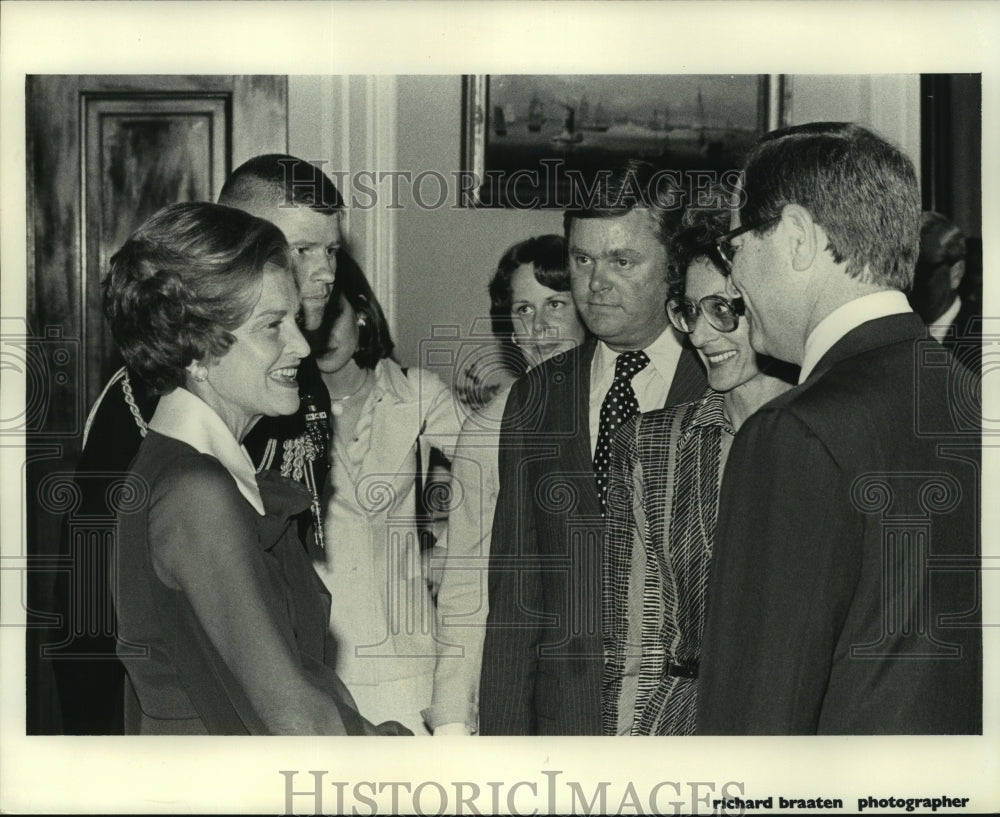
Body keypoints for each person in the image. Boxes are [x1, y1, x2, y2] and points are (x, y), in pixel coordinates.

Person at [696, 122, 981, 734]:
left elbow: (754, 723)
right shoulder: (968, 398)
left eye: (735, 244)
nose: (731, 280)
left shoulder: (794, 432)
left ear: (797, 237)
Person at [54, 154, 345, 734]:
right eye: (298, 248)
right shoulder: (150, 432)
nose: (323, 272)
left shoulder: (281, 392)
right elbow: (91, 620)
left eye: (330, 250)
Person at [104, 201, 407, 735]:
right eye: (272, 325)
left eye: (294, 319)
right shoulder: (193, 490)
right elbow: (297, 722)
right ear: (194, 349)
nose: (300, 344)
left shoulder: (193, 469)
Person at [479, 161, 707, 735]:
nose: (595, 282)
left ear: (672, 269)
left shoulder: (722, 387)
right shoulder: (537, 397)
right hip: (566, 726)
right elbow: (515, 600)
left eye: (622, 262)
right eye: (583, 260)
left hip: (690, 726)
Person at [602, 205, 794, 736]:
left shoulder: (833, 437)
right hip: (682, 728)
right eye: (689, 311)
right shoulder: (651, 442)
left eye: (723, 310)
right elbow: (634, 635)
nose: (703, 336)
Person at [424, 235, 590, 735]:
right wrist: (452, 720)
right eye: (523, 310)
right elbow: (464, 589)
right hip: (529, 681)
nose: (539, 328)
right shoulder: (489, 428)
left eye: (556, 304)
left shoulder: (632, 401)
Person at [310, 257, 463, 736]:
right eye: (308, 316)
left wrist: (448, 555)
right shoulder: (280, 408)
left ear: (360, 312)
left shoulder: (417, 394)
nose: (323, 330)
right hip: (319, 662)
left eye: (333, 312)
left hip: (410, 655)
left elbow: (491, 481)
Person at [908, 210, 980, 378]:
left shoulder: (981, 341)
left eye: (921, 271)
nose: (908, 285)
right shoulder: (893, 335)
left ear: (956, 272)